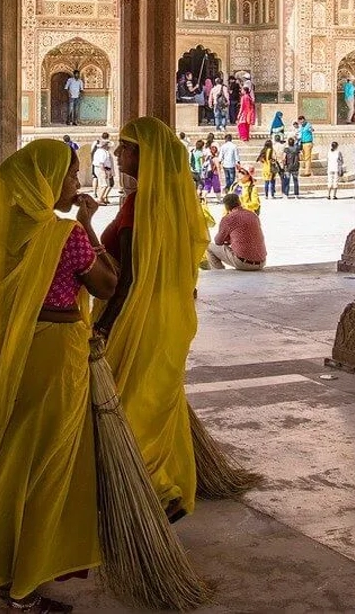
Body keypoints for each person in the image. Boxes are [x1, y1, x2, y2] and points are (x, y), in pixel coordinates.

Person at [0, 139, 118, 611]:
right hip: (53, 354)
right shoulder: (64, 236)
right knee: (46, 463)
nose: (75, 184)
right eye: (70, 176)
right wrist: (87, 223)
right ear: (44, 182)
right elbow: (106, 285)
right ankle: (22, 583)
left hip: (6, 350)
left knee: (13, 456)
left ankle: (5, 566)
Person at [97, 116, 207, 523]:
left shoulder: (139, 205)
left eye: (126, 148)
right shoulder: (178, 202)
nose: (119, 154)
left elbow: (127, 275)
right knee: (158, 399)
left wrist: (105, 323)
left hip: (138, 315)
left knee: (131, 403)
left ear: (145, 156)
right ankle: (162, 485)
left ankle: (151, 489)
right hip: (170, 316)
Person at [205, 192, 267, 271]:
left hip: (244, 263)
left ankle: (219, 272)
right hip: (262, 262)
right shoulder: (252, 214)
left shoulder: (228, 219)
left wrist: (229, 239)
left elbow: (218, 241)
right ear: (239, 202)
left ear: (226, 207)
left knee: (209, 247)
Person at [91, 134, 114, 204]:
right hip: (101, 169)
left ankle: (101, 198)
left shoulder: (101, 151)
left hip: (101, 169)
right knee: (104, 185)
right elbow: (101, 164)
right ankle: (99, 199)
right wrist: (104, 172)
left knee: (102, 185)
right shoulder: (102, 152)